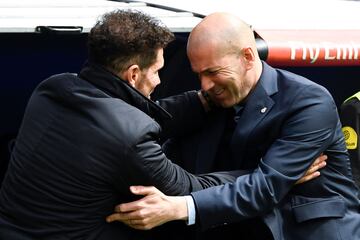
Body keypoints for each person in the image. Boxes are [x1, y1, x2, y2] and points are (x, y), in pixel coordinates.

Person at [106, 12, 360, 240]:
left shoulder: (308, 101)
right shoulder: (212, 102)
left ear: (247, 57)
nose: (205, 85)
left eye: (213, 72)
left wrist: (180, 207)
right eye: (199, 74)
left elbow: (267, 187)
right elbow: (176, 168)